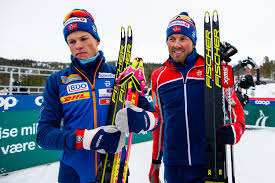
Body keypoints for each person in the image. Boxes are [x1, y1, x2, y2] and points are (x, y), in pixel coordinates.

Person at [36, 9, 158, 183]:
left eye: (84, 38)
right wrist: (85, 138)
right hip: (73, 174)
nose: (78, 45)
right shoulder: (57, 81)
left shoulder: (120, 76)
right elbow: (43, 135)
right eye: (71, 41)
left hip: (116, 171)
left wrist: (144, 119)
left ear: (97, 39)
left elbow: (156, 117)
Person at [148, 12, 245, 183]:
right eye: (172, 39)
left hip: (210, 161)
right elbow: (160, 124)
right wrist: (156, 162)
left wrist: (236, 129)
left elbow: (234, 107)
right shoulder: (159, 76)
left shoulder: (213, 68)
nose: (176, 45)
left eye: (183, 38)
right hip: (174, 166)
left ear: (193, 42)